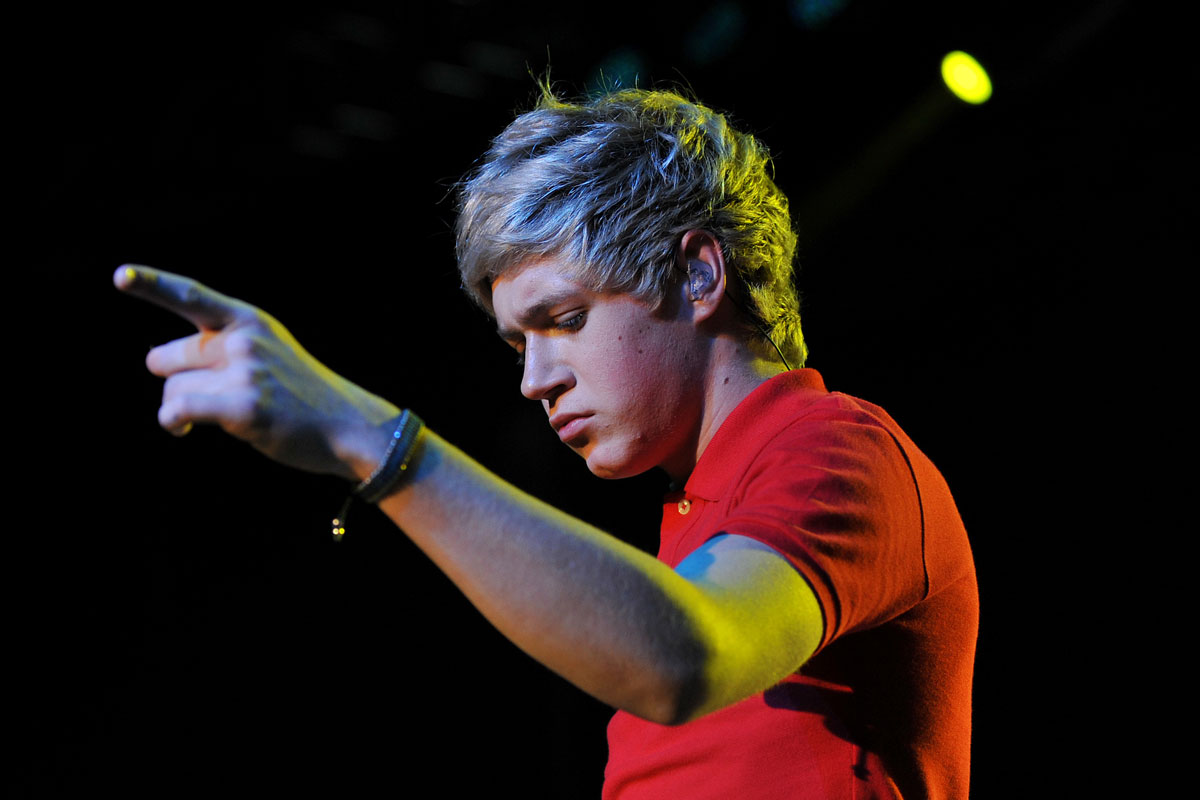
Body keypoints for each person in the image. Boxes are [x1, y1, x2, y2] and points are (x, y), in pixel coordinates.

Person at [116, 87, 977, 799]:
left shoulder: (834, 449)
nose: (534, 380)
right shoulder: (696, 524)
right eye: (516, 344)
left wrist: (366, 437)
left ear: (699, 273)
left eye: (565, 319)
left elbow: (682, 658)